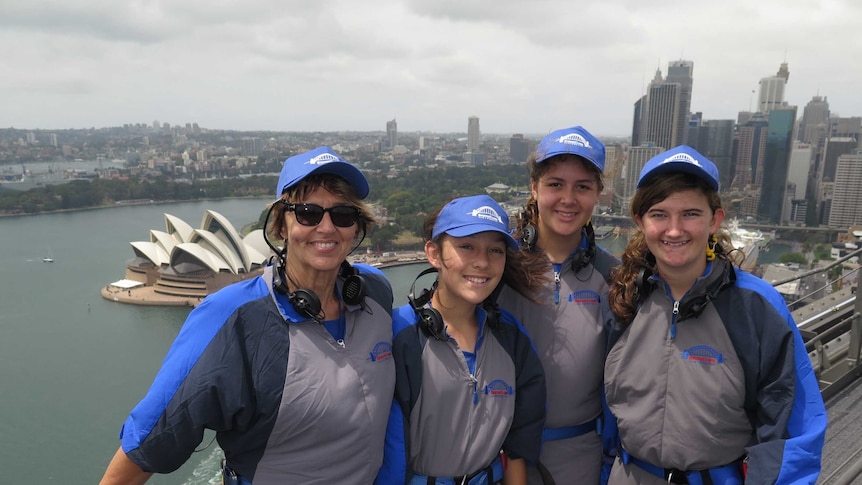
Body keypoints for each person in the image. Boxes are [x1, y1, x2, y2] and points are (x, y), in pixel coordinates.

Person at [100, 146, 395, 485]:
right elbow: (149, 441)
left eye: (343, 214)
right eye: (307, 213)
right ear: (280, 226)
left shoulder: (374, 291)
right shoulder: (232, 314)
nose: (326, 227)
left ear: (356, 227)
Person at [604, 146, 827, 484]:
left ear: (715, 219)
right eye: (659, 214)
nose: (675, 230)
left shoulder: (756, 306)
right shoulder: (625, 297)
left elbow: (792, 427)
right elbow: (608, 411)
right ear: (641, 221)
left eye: (691, 214)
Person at [376, 195, 547, 485]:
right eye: (467, 246)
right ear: (433, 253)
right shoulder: (399, 334)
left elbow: (520, 439)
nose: (482, 262)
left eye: (495, 250)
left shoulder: (511, 337)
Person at [500, 125, 620, 484]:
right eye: (555, 184)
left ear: (598, 193)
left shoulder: (615, 277)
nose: (568, 198)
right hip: (499, 454)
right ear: (534, 188)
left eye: (582, 186)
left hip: (582, 454)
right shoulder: (497, 265)